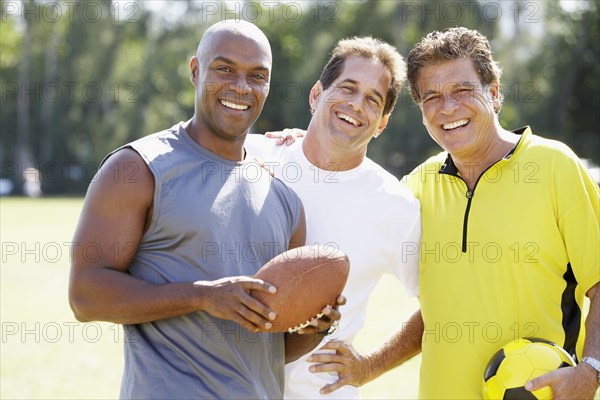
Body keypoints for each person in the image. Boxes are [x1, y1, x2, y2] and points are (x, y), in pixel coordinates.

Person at [308, 27, 600, 399]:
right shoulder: (415, 191)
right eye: (432, 97)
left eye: (463, 91)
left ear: (493, 94)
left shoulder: (554, 166)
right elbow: (438, 313)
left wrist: (591, 370)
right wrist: (369, 367)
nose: (448, 108)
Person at [68, 20, 341, 399]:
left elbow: (271, 347)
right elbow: (85, 296)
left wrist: (313, 326)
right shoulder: (137, 169)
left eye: (257, 76)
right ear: (196, 71)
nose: (240, 87)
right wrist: (202, 296)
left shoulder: (285, 200)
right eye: (224, 69)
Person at [244, 36, 422, 399]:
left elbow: (441, 307)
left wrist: (371, 364)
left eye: (373, 100)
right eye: (347, 88)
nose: (356, 105)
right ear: (315, 95)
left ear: (382, 123)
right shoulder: (250, 157)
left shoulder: (396, 206)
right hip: (230, 386)